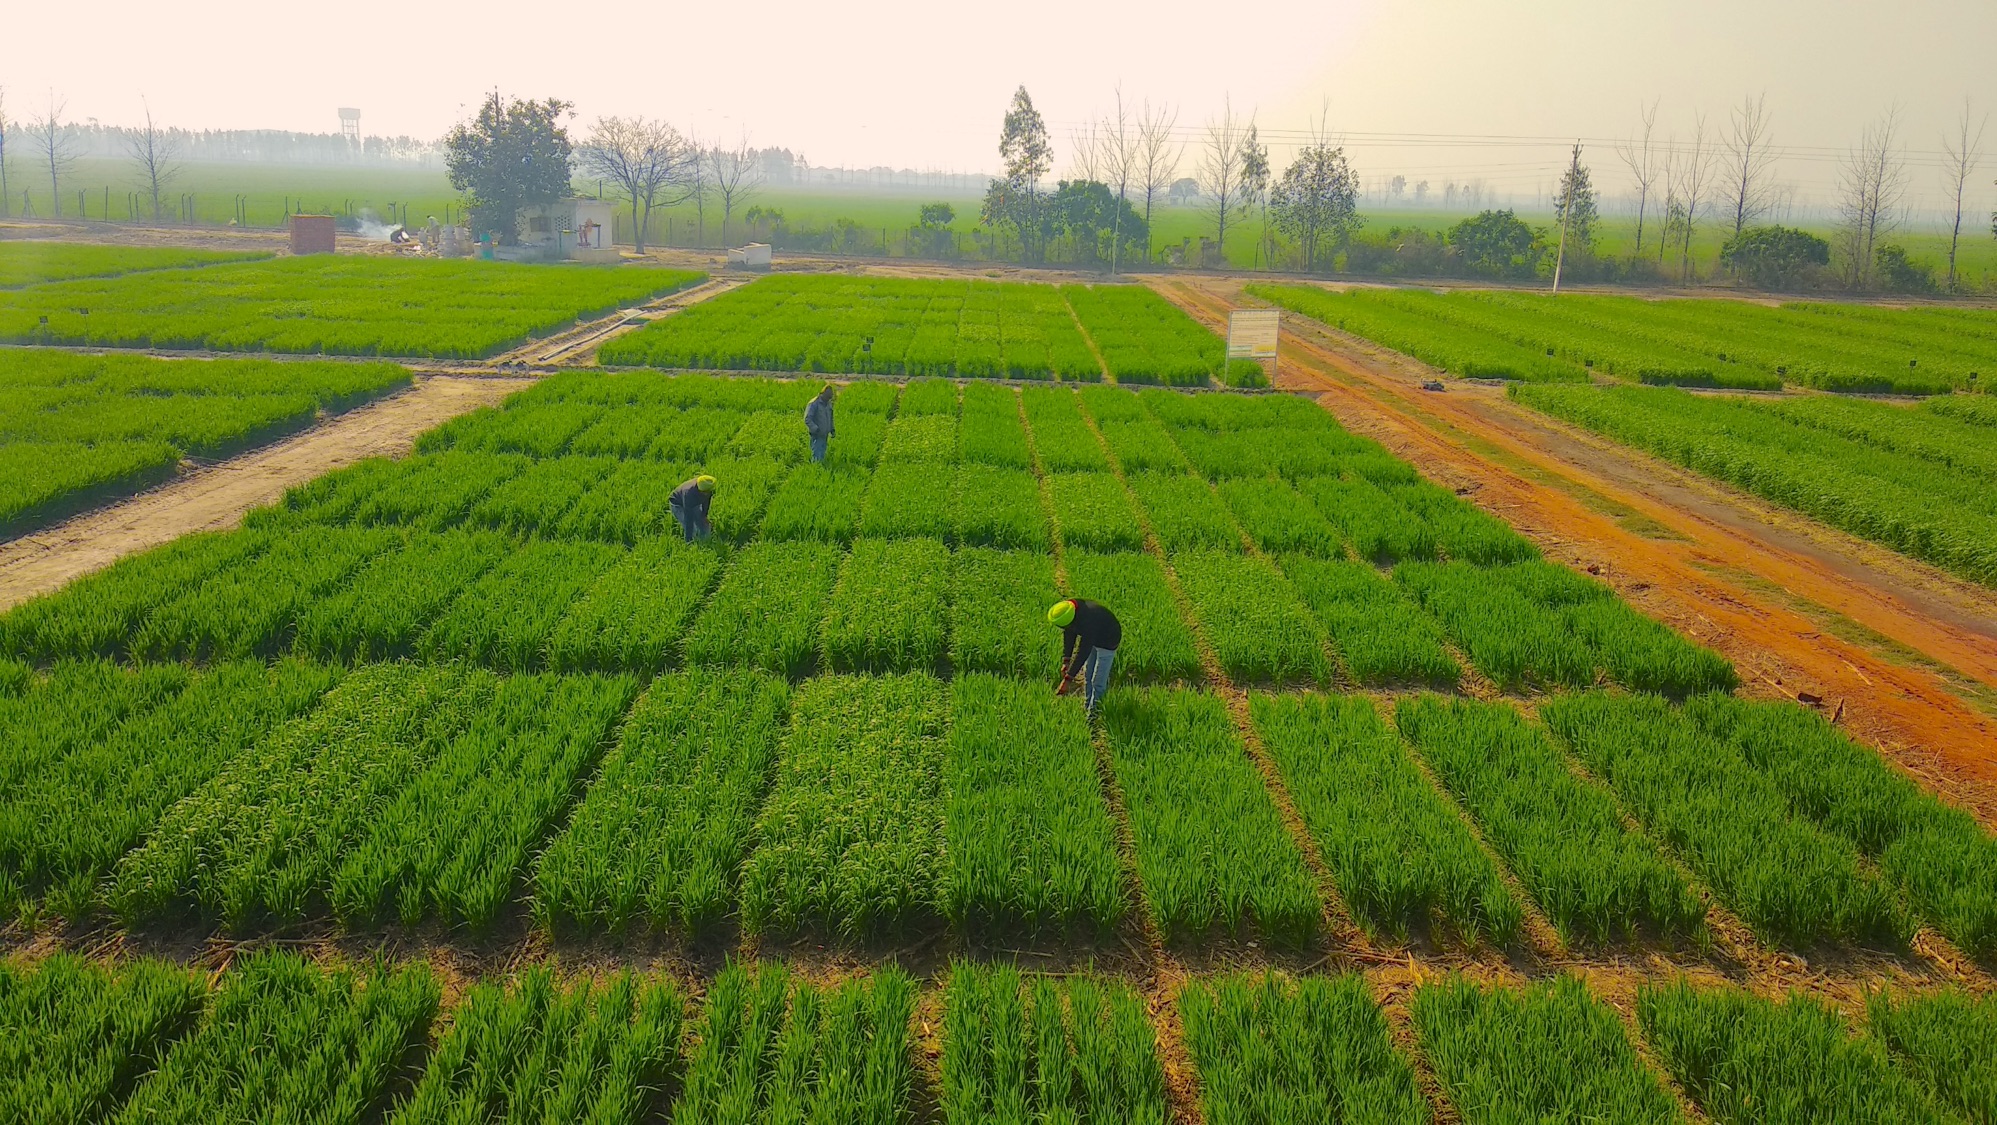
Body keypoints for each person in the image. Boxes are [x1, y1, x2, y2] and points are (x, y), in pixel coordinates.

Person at [1048, 598, 1121, 718]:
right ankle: (1087, 705)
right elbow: (1069, 635)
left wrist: (1067, 680)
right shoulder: (1071, 611)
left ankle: (1094, 714)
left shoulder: (1088, 621)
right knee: (1088, 675)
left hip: (1108, 641)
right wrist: (1066, 661)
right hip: (1094, 638)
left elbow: (1082, 652)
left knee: (1098, 681)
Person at [670, 475, 716, 541]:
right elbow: (688, 518)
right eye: (706, 492)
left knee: (704, 526)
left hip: (694, 502)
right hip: (678, 504)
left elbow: (706, 502)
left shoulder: (707, 486)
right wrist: (688, 539)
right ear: (701, 491)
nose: (708, 493)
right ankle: (692, 543)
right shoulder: (688, 493)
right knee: (693, 529)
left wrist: (704, 516)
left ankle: (706, 541)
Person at [804, 383, 836, 463]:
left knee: (822, 456)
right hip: (816, 435)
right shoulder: (814, 403)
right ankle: (815, 472)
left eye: (830, 398)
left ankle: (820, 471)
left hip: (825, 435)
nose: (829, 399)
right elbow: (807, 419)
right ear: (823, 394)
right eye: (828, 397)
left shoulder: (828, 404)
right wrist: (815, 429)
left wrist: (832, 429)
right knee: (816, 457)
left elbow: (830, 418)